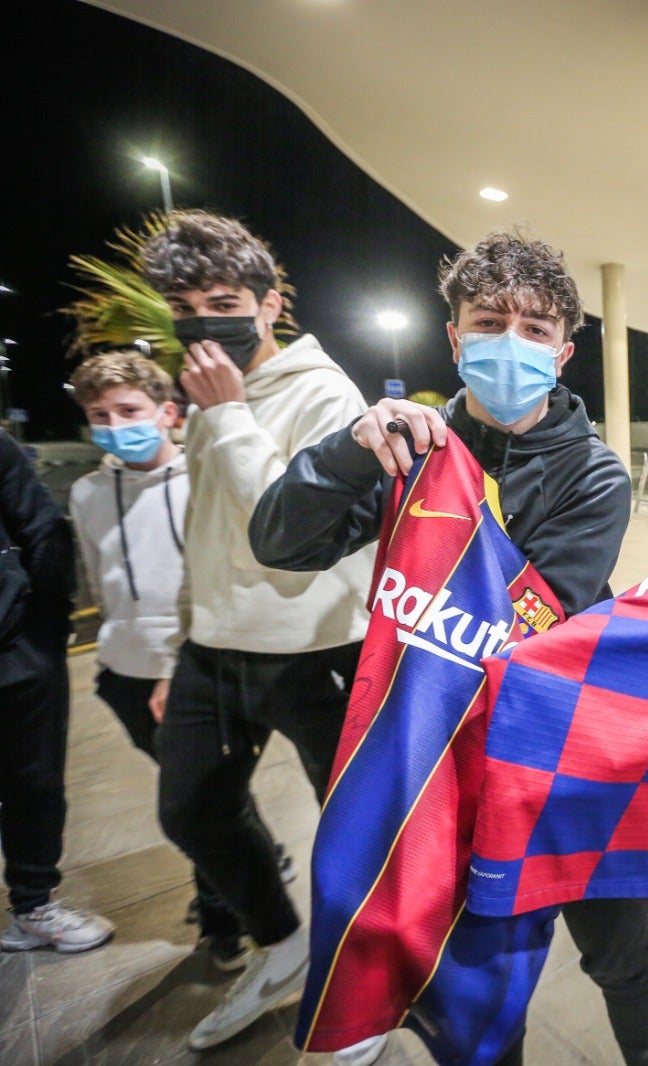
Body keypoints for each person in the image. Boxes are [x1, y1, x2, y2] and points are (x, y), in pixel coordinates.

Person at [250, 229, 648, 1065]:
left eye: (535, 328)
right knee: (473, 976)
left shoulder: (594, 474)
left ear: (563, 351)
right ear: (453, 337)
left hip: (565, 756)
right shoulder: (403, 450)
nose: (509, 344)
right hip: (440, 759)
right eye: (488, 323)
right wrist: (347, 452)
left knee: (620, 950)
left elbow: (525, 621)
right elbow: (279, 542)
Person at [138, 210, 376, 1051]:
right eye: (184, 305)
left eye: (225, 300)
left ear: (271, 305)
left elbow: (296, 543)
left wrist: (233, 416)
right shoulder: (208, 398)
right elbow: (205, 530)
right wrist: (182, 646)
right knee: (192, 809)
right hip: (214, 651)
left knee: (352, 833)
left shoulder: (324, 393)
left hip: (317, 651)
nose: (204, 322)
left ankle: (367, 987)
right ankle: (283, 945)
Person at [65, 350, 293, 973]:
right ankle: (258, 860)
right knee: (200, 799)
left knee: (197, 803)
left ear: (167, 412)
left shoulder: (201, 479)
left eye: (128, 410)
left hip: (198, 666)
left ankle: (224, 916)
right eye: (99, 414)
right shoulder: (87, 492)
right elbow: (99, 576)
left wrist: (181, 659)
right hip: (124, 673)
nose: (115, 424)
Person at [0, 428, 115, 955]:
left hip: (17, 651)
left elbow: (44, 530)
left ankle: (32, 905)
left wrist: (43, 630)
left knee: (34, 782)